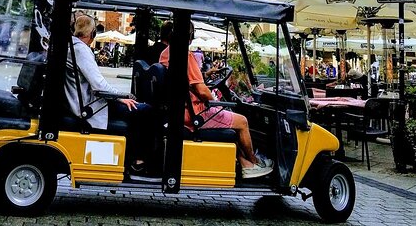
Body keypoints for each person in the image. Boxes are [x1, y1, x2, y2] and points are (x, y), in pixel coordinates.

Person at [159, 22, 273, 179]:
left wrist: (206, 76)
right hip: (195, 114)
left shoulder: (166, 53)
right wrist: (214, 99)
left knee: (230, 123)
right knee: (242, 121)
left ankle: (244, 163)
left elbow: (188, 81)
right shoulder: (186, 55)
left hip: (180, 110)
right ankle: (254, 163)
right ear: (190, 37)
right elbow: (201, 90)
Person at [66, 14, 156, 179]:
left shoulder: (72, 46)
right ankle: (138, 161)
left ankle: (133, 158)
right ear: (92, 33)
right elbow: (99, 85)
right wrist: (121, 97)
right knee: (146, 110)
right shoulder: (81, 50)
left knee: (136, 108)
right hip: (92, 106)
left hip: (89, 101)